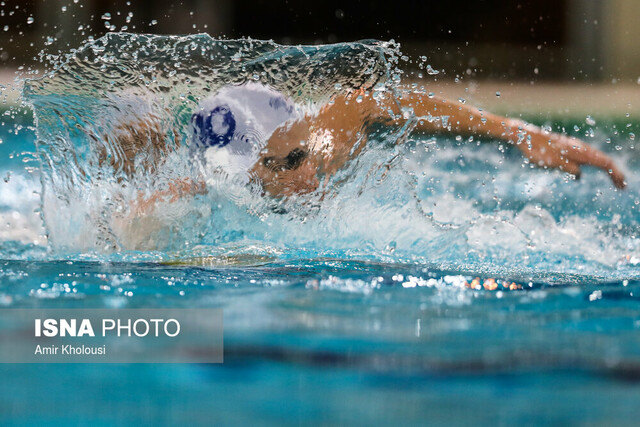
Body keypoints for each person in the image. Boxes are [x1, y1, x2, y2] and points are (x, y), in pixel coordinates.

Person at [131, 81, 626, 214]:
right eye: (278, 167)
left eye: (299, 156)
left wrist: (523, 133)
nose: (305, 179)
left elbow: (399, 103)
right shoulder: (203, 190)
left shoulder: (329, 137)